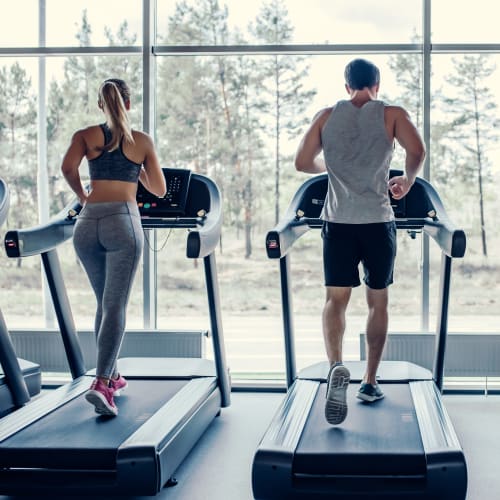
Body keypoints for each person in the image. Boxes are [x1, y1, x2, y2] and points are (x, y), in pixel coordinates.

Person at [294, 59, 425, 425]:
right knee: (377, 301)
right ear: (376, 84)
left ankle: (337, 367)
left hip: (338, 222)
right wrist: (407, 181)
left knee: (336, 301)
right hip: (378, 222)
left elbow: (302, 162)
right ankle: (369, 381)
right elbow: (418, 152)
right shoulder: (392, 114)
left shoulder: (325, 116)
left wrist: (333, 168)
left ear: (346, 84)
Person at [61, 78, 166, 417]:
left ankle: (114, 374)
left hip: (87, 224)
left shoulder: (85, 136)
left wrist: (82, 196)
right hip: (123, 221)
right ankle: (102, 383)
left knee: (104, 305)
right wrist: (137, 171)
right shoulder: (142, 142)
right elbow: (161, 190)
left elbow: (67, 168)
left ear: (100, 105)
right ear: (129, 105)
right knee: (115, 305)